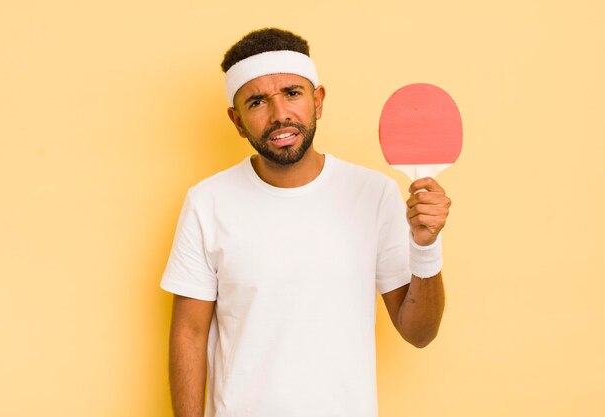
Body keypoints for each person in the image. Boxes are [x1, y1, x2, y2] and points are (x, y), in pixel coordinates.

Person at [161, 27, 451, 417]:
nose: (280, 114)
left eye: (293, 94)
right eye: (257, 101)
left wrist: (426, 246)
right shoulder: (208, 202)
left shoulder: (374, 193)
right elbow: (189, 333)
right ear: (236, 120)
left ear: (318, 101)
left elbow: (419, 332)